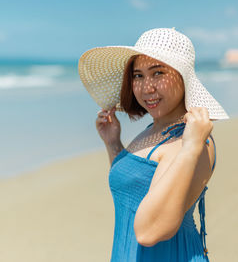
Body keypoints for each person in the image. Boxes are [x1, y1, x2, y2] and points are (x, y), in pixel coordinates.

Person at [78, 28, 229, 261]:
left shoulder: (194, 140)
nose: (146, 87)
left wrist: (191, 147)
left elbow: (149, 231)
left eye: (158, 73)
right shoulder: (154, 130)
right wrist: (113, 144)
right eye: (138, 76)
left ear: (183, 76)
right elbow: (134, 191)